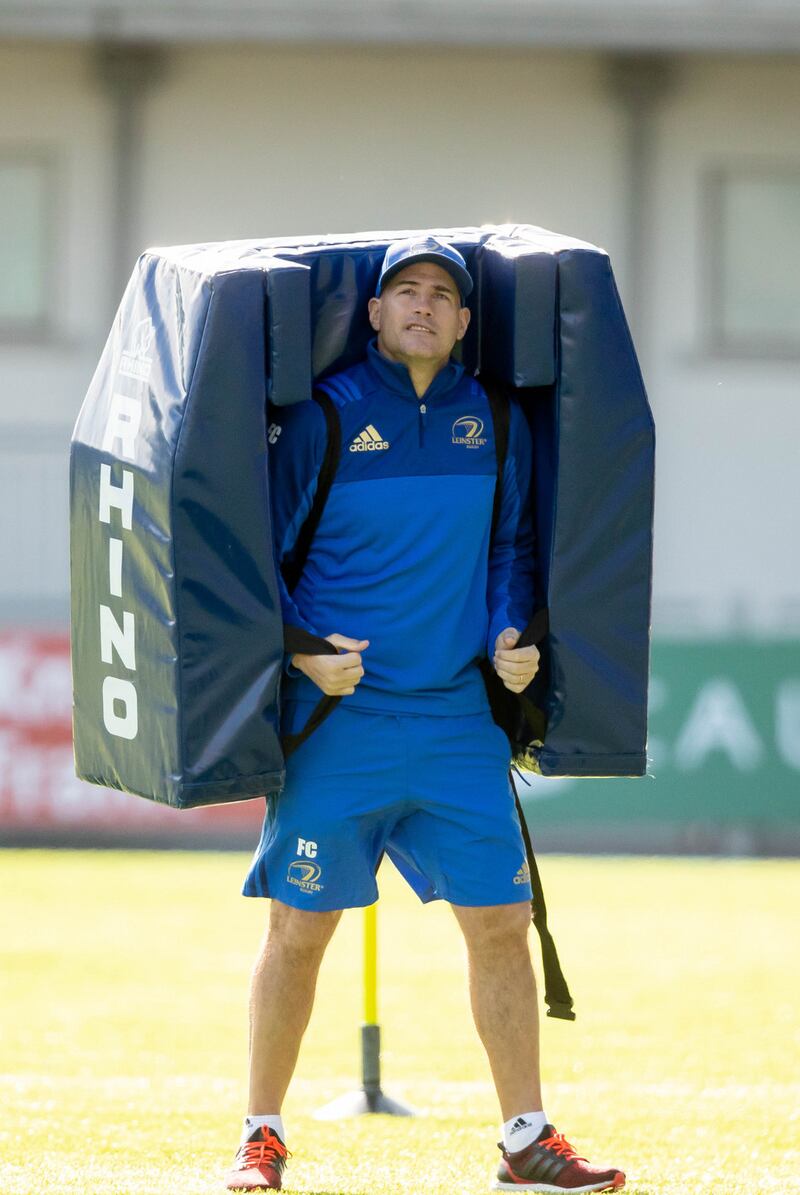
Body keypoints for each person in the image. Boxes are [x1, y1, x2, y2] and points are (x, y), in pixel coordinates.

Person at [225, 236, 625, 1193]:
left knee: (503, 922)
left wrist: (508, 633)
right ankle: (260, 1134)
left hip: (456, 725)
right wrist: (305, 652)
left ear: (464, 319)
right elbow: (254, 567)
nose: (423, 305)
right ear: (372, 314)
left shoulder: (492, 416)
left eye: (443, 293)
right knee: (298, 930)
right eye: (403, 290)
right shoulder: (322, 419)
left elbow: (512, 550)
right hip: (341, 724)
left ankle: (526, 1137)